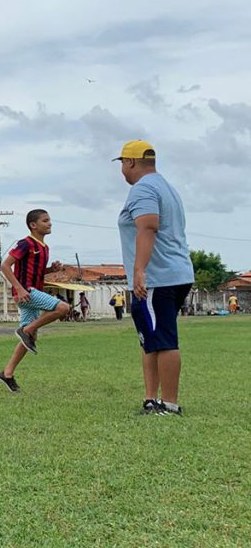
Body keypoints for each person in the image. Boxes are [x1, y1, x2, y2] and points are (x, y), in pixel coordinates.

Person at [115, 140, 194, 416]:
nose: (123, 170)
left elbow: (148, 227)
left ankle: (169, 404)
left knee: (163, 339)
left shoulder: (143, 188)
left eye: (123, 163)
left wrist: (140, 270)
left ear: (130, 162)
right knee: (149, 338)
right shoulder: (165, 187)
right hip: (174, 273)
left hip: (158, 278)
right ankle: (151, 399)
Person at [0, 210, 69, 393]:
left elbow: (35, 272)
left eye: (50, 220)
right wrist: (19, 289)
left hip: (32, 293)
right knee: (63, 308)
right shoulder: (25, 243)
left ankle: (7, 373)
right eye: (45, 221)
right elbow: (5, 266)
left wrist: (50, 269)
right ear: (33, 225)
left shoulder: (44, 247)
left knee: (30, 339)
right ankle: (26, 330)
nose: (50, 223)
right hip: (26, 292)